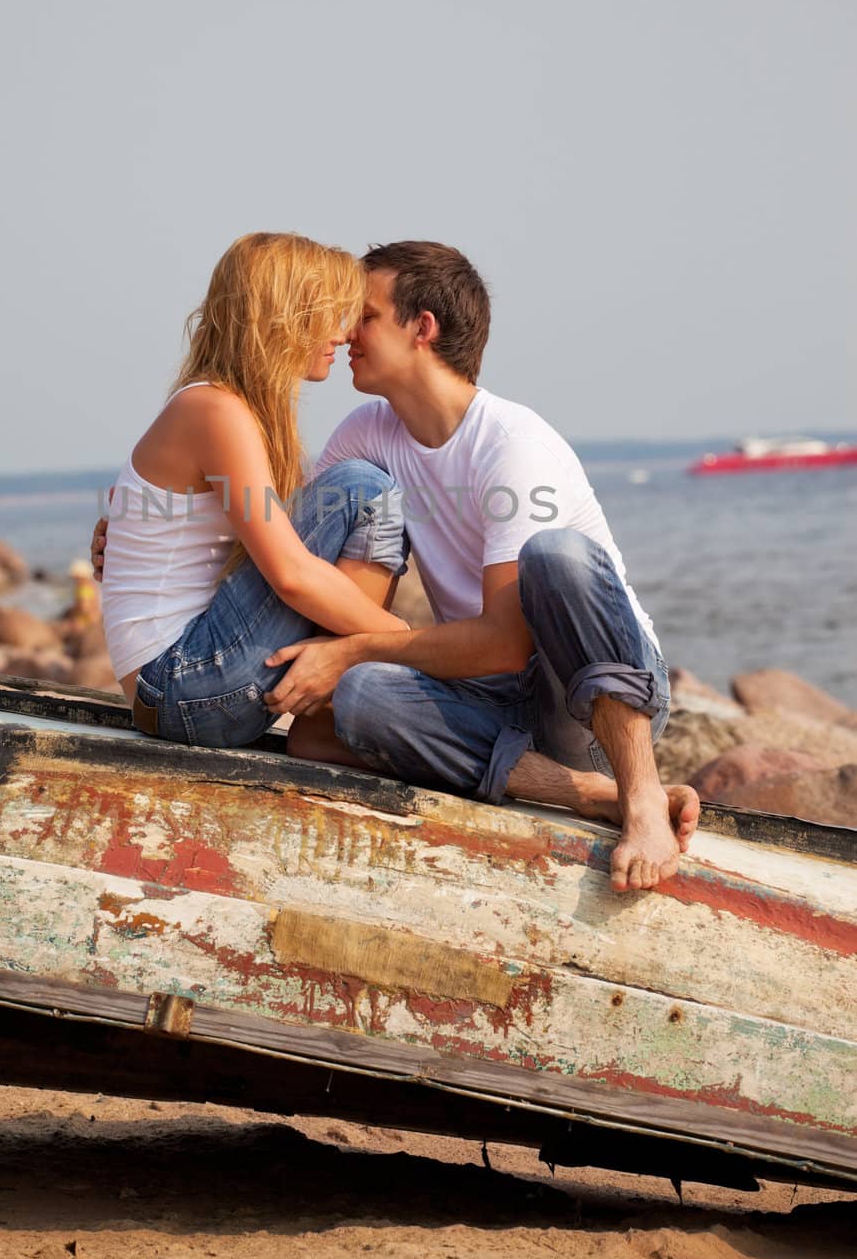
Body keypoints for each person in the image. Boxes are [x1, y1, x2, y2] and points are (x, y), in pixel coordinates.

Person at [96, 239, 698, 893]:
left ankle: (639, 795)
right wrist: (142, 526)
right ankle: (580, 790)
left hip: (594, 706)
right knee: (358, 684)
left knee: (554, 556)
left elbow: (501, 643)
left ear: (423, 328)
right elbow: (286, 544)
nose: (346, 329)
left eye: (365, 314)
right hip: (488, 702)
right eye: (337, 312)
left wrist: (358, 647)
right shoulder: (361, 433)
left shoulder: (512, 444)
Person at [99, 231, 411, 760]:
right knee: (362, 488)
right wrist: (410, 644)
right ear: (284, 317)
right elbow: (290, 574)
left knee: (352, 489)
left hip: (180, 685)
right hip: (181, 684)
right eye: (328, 314)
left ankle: (341, 687)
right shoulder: (215, 411)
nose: (342, 333)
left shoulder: (221, 408)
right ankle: (354, 686)